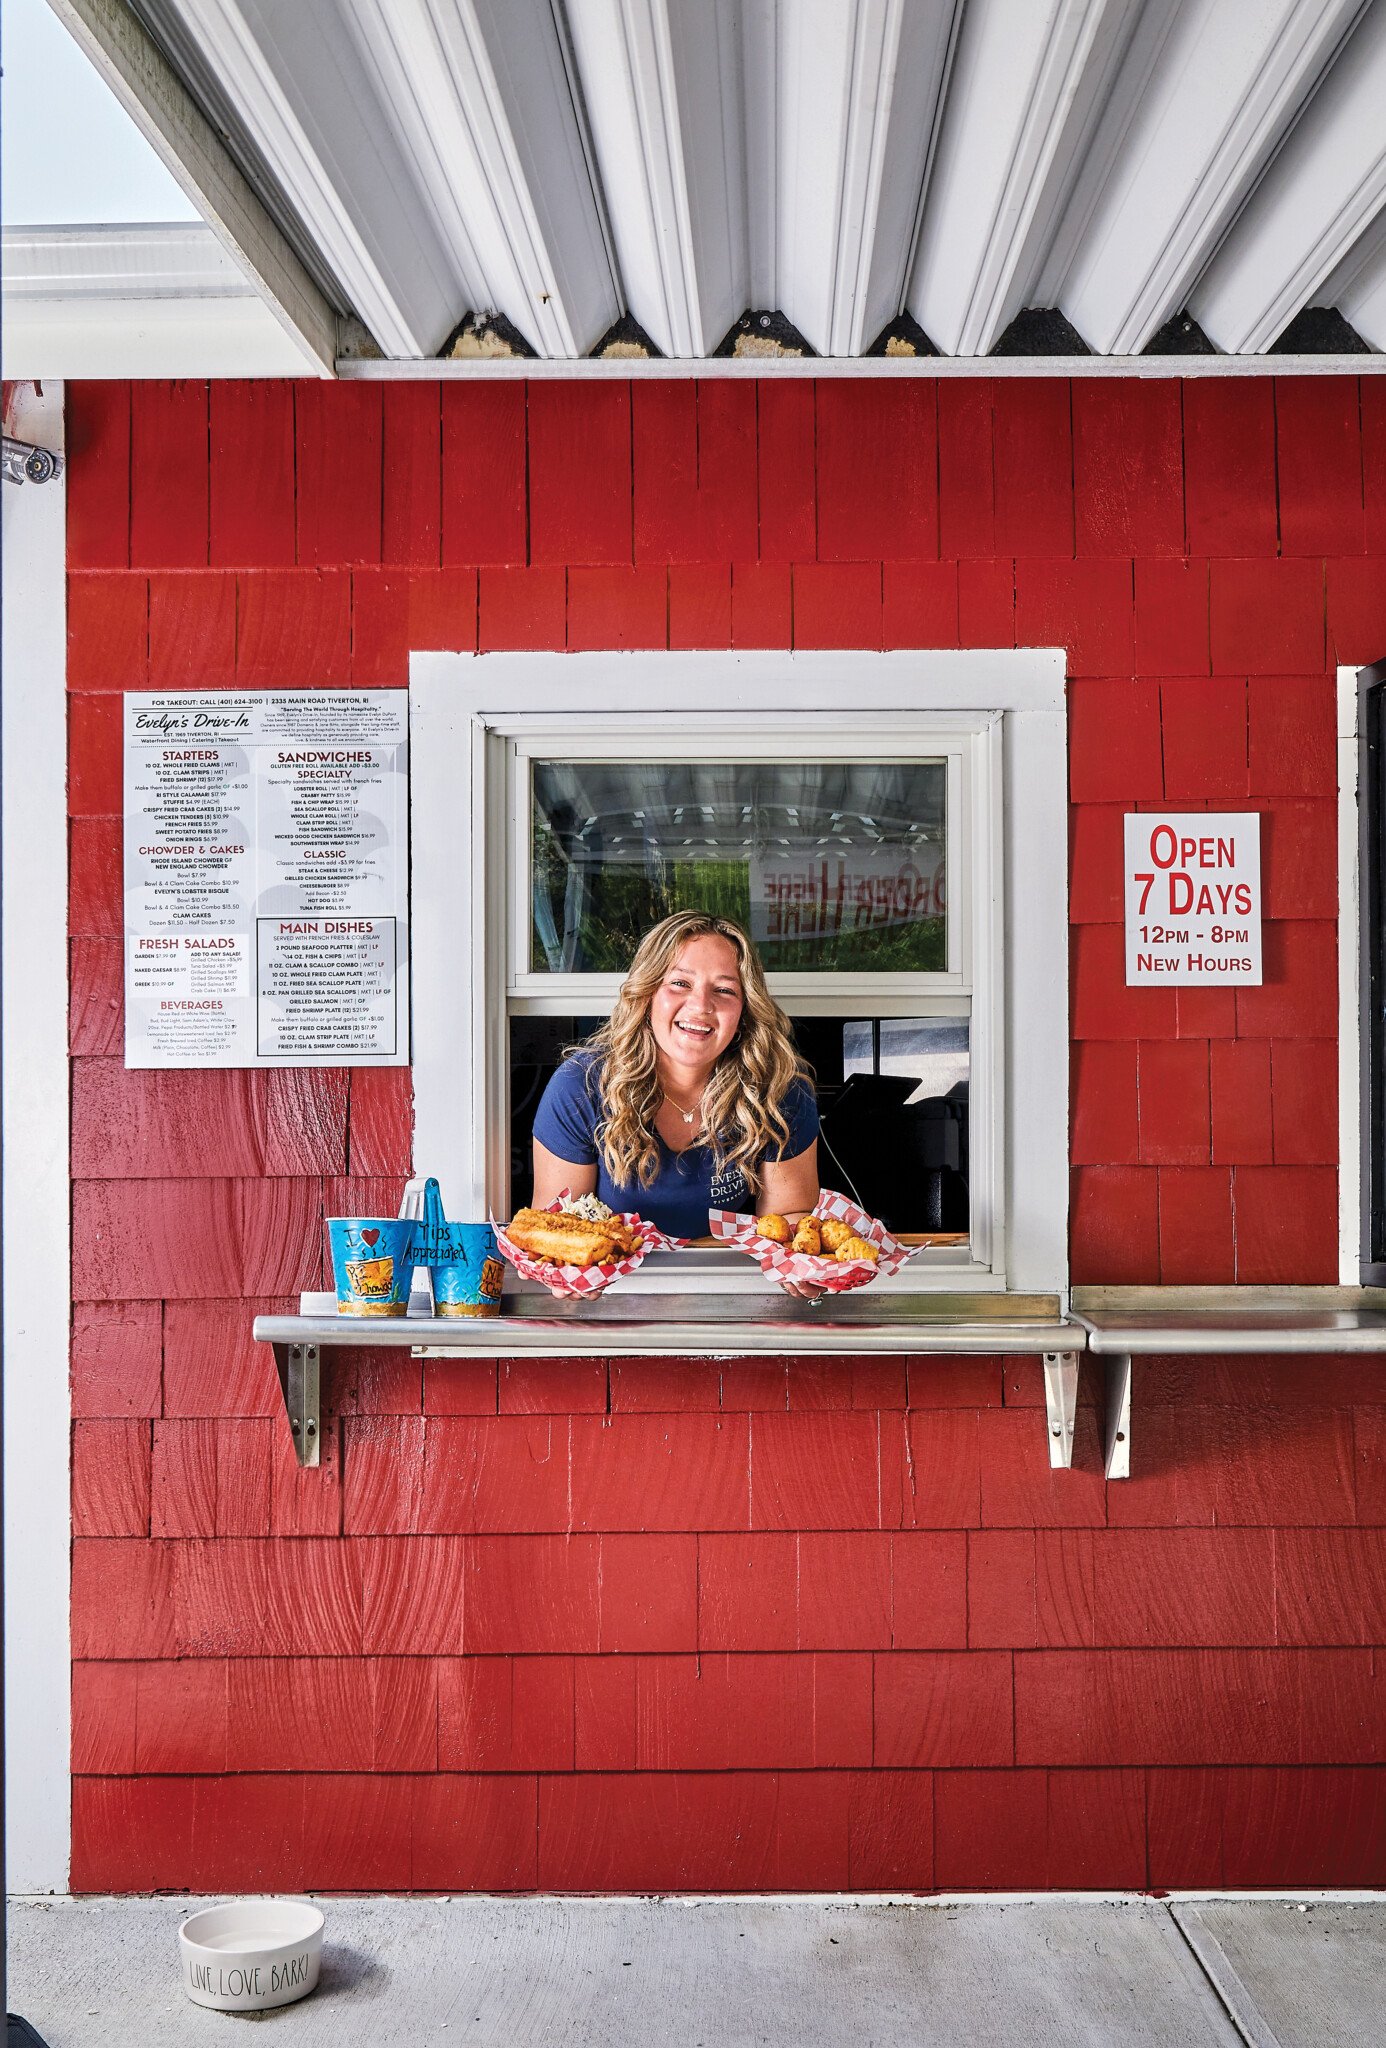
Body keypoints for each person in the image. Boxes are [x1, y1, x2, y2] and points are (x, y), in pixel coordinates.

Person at [531, 910, 821, 1283]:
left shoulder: (780, 1091)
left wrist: (803, 1269)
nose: (701, 1005)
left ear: (745, 1009)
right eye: (680, 983)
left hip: (733, 1295)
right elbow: (554, 1231)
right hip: (608, 1298)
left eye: (724, 989)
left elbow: (787, 1225)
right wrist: (564, 1274)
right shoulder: (580, 1087)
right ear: (647, 993)